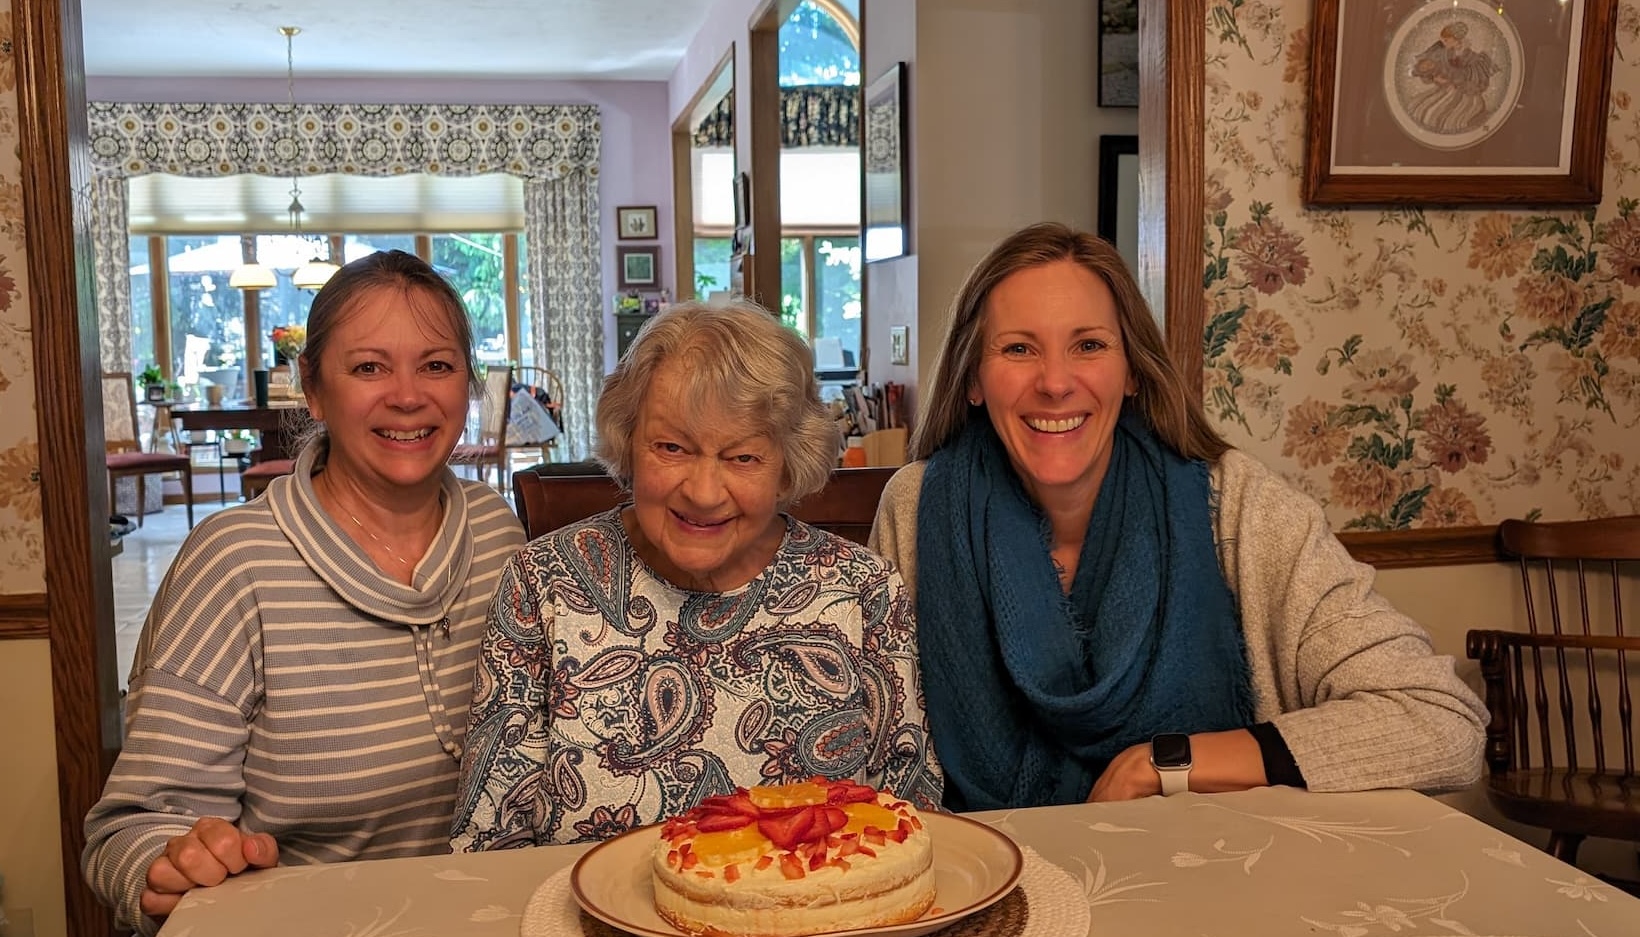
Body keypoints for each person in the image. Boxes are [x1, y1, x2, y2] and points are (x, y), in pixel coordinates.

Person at [869, 222, 1486, 811]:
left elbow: (1442, 722)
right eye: (1018, 348)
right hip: (986, 883)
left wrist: (1168, 765)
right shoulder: (916, 507)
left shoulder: (1239, 507)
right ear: (973, 377)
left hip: (1208, 882)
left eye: (1089, 345)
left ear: (1132, 369)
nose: (1056, 383)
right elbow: (877, 761)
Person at [83, 250, 525, 937]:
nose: (408, 395)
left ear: (466, 386)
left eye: (436, 365)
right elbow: (129, 829)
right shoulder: (235, 562)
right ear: (312, 390)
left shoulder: (500, 534)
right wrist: (171, 860)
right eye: (369, 367)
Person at [451, 300, 942, 851]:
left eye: (743, 457)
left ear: (787, 464)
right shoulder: (542, 583)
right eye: (672, 447)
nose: (704, 494)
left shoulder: (865, 591)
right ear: (628, 443)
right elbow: (490, 838)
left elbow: (909, 817)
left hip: (819, 924)